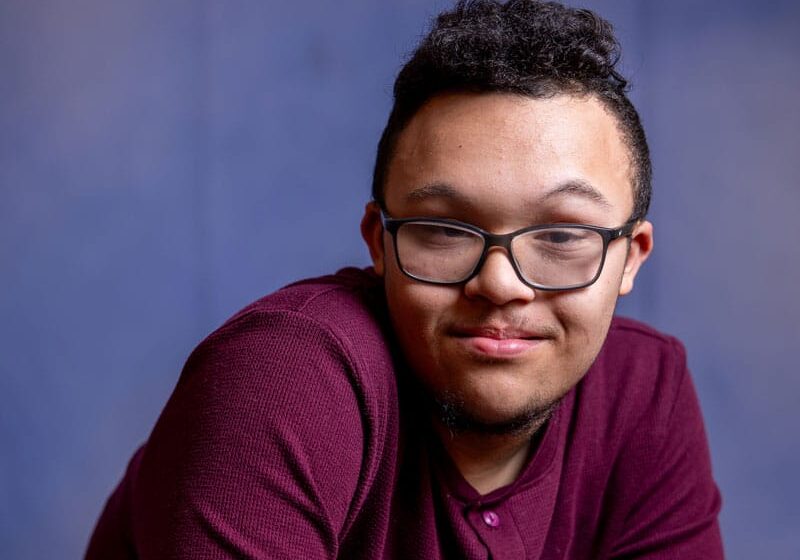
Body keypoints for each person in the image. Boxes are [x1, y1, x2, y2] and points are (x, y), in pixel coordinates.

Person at [86, 1, 724, 558]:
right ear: (379, 244)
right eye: (445, 231)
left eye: (560, 236)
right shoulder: (280, 376)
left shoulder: (645, 393)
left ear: (631, 257)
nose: (500, 284)